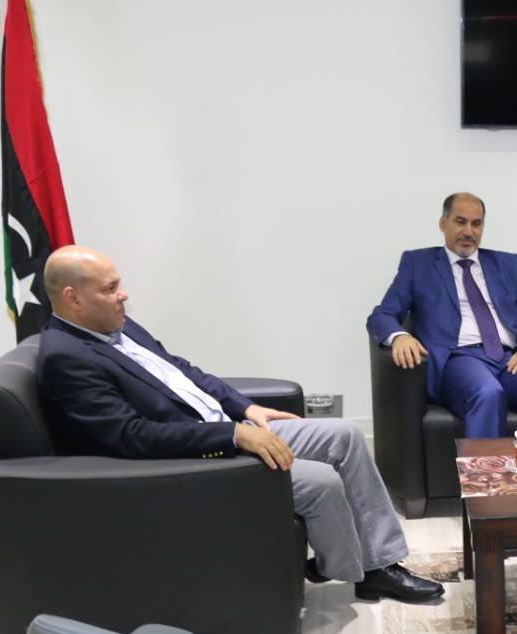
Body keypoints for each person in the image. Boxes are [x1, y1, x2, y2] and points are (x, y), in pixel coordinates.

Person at [36, 245, 444, 604]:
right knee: (321, 481)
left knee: (346, 434)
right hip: (197, 459)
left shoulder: (116, 325)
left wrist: (246, 409)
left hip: (225, 427)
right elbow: (130, 437)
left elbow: (183, 371)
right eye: (110, 288)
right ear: (73, 298)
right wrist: (232, 435)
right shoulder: (66, 358)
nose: (123, 294)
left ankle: (381, 565)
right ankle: (342, 565)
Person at [366, 192, 517, 438]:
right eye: (460, 222)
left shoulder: (509, 264)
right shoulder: (418, 264)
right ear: (443, 224)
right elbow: (382, 315)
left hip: (508, 360)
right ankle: (487, 466)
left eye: (476, 224)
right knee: (488, 392)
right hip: (459, 359)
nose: (469, 231)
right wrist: (399, 336)